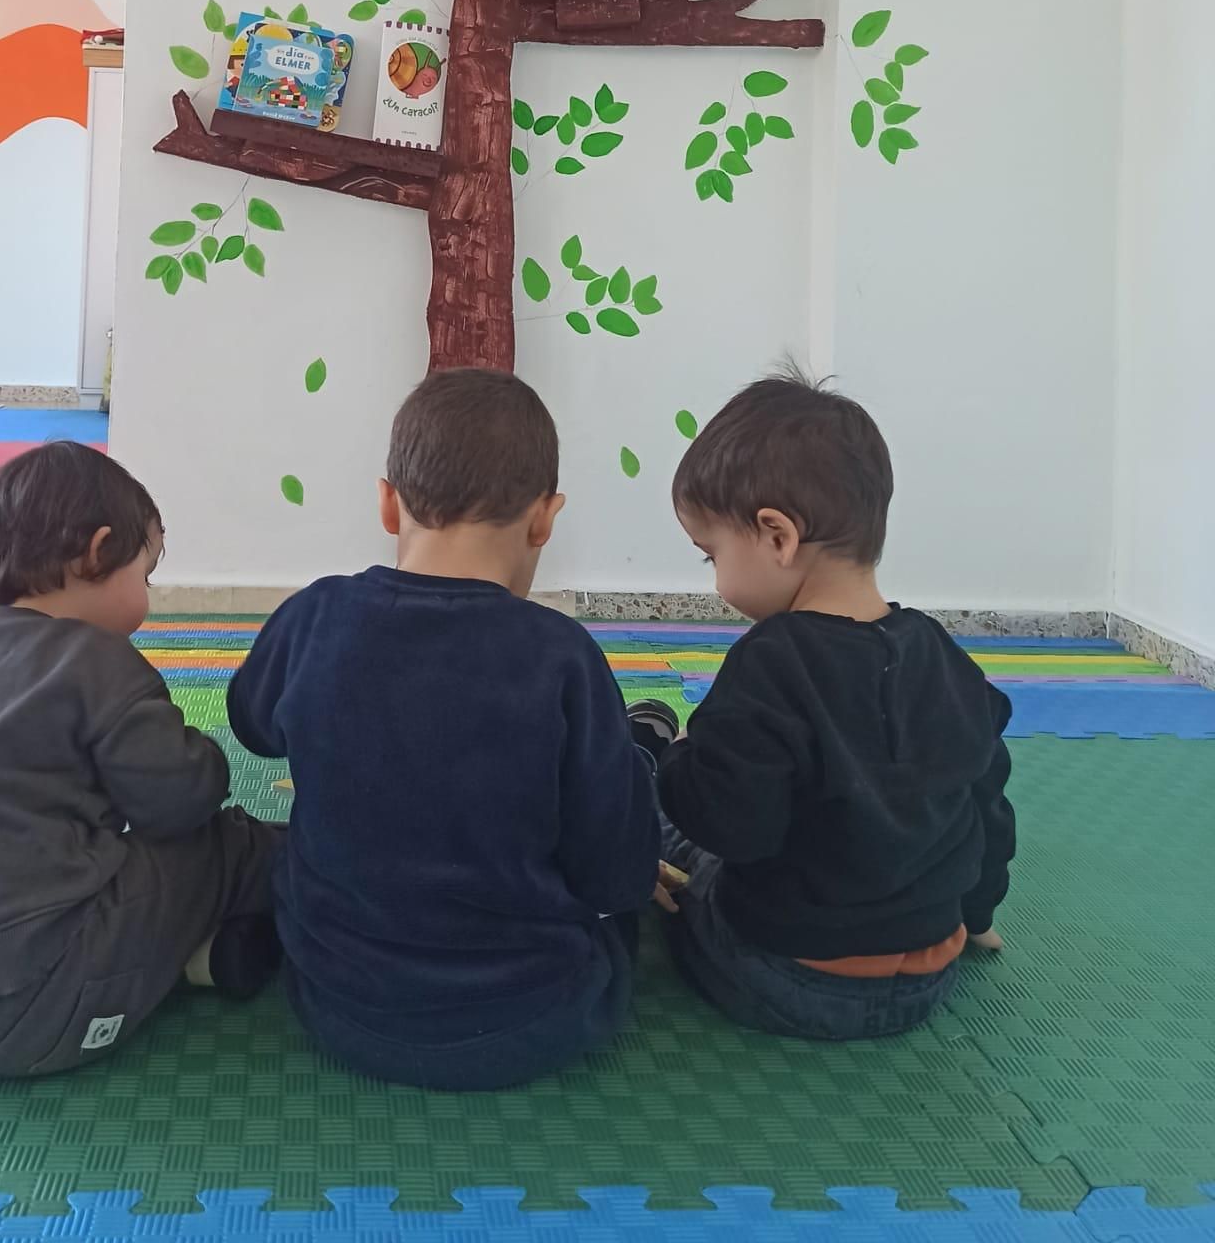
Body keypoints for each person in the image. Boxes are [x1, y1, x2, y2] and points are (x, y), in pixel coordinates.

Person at [227, 368, 660, 1090]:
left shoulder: (315, 619)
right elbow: (618, 873)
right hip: (537, 1016)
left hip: (339, 1001)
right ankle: (646, 744)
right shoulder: (563, 657)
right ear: (544, 518)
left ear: (388, 505)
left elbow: (251, 729)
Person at [0, 440, 280, 1077]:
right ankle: (334, 905)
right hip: (36, 1001)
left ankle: (196, 961)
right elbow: (178, 802)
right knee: (224, 845)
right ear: (97, 553)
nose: (148, 596)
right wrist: (207, 758)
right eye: (145, 574)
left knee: (100, 872)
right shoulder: (96, 662)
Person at [629, 367, 1015, 1042]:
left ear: (777, 537)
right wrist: (977, 912)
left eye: (709, 554)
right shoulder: (941, 653)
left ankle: (650, 745)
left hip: (786, 976)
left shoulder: (772, 661)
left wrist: (688, 756)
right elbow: (986, 798)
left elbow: (735, 830)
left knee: (662, 814)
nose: (714, 577)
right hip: (928, 975)